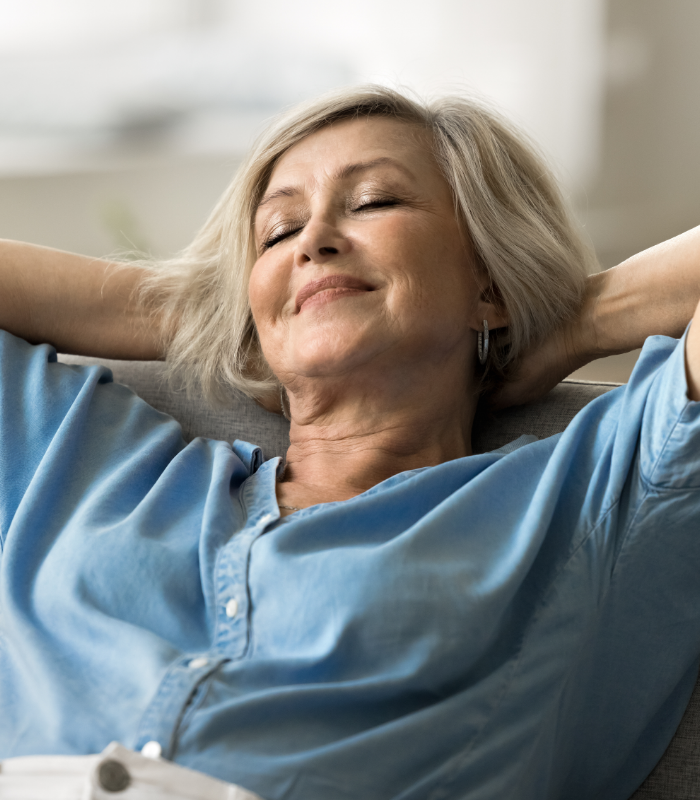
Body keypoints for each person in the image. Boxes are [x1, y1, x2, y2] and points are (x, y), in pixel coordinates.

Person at [0, 85, 699, 800]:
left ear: (486, 282)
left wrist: (577, 319)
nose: (314, 241)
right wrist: (212, 313)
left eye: (372, 202)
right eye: (277, 232)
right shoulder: (86, 458)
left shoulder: (587, 502)